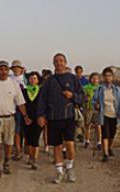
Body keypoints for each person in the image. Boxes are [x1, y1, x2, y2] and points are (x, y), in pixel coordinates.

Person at [37, 53, 84, 184]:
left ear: (66, 62)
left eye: (61, 60)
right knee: (57, 146)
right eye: (56, 61)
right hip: (53, 118)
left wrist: (72, 95)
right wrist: (41, 115)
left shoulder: (73, 78)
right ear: (53, 63)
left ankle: (69, 167)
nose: (59, 63)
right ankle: (59, 172)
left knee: (70, 144)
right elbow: (42, 99)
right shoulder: (49, 81)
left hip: (68, 117)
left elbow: (82, 96)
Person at [0, 60, 31, 182]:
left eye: (5, 69)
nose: (3, 71)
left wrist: (25, 116)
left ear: (8, 70)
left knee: (9, 144)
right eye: (1, 69)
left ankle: (7, 162)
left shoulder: (13, 84)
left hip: (10, 119)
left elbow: (20, 102)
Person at [92, 67, 120, 162]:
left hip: (115, 115)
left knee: (112, 135)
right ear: (103, 77)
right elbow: (94, 101)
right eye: (106, 76)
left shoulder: (117, 90)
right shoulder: (100, 89)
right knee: (105, 134)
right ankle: (105, 154)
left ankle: (109, 147)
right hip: (104, 115)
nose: (108, 78)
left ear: (112, 77)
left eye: (109, 76)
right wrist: (96, 105)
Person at [22, 71, 43, 169]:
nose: (32, 80)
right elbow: (21, 105)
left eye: (34, 78)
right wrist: (25, 116)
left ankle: (34, 159)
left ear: (38, 80)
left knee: (36, 139)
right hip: (27, 118)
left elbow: (45, 105)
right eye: (31, 78)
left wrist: (43, 117)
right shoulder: (24, 91)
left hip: (38, 118)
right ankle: (30, 157)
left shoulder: (42, 91)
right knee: (29, 139)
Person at [10, 59, 27, 161]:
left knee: (24, 129)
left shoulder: (26, 79)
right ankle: (18, 150)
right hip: (13, 107)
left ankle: (25, 146)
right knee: (16, 130)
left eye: (18, 68)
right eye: (14, 68)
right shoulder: (9, 79)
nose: (16, 69)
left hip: (24, 107)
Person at [83, 72, 102, 149]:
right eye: (93, 78)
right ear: (90, 79)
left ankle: (99, 142)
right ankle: (87, 140)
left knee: (98, 126)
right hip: (88, 109)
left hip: (97, 110)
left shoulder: (101, 88)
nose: (95, 80)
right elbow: (82, 97)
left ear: (99, 80)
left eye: (96, 78)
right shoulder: (86, 87)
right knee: (88, 126)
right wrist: (85, 99)